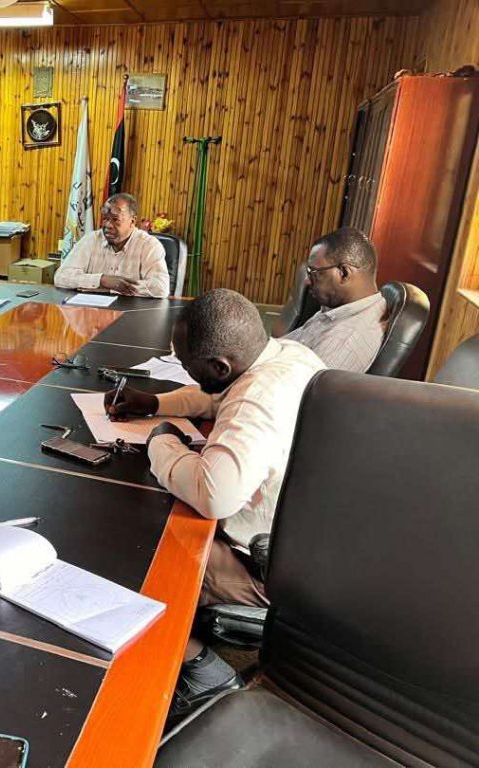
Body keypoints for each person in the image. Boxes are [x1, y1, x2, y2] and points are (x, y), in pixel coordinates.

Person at [105, 288, 325, 722]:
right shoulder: (287, 357)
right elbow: (213, 398)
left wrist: (162, 442)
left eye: (188, 365)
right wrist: (154, 403)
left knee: (138, 548)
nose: (184, 370)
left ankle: (203, 672)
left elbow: (214, 494)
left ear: (221, 366)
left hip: (269, 574)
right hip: (314, 547)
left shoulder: (257, 401)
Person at [283, 227, 386, 372]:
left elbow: (294, 385)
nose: (307, 281)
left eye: (314, 272)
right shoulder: (339, 309)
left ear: (344, 273)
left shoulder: (344, 339)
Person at [54, 192, 169, 298]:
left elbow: (160, 288)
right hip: (93, 309)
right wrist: (102, 280)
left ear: (132, 221)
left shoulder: (149, 245)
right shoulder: (91, 240)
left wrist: (113, 288)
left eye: (115, 219)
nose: (108, 225)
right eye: (105, 218)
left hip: (131, 310)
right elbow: (61, 277)